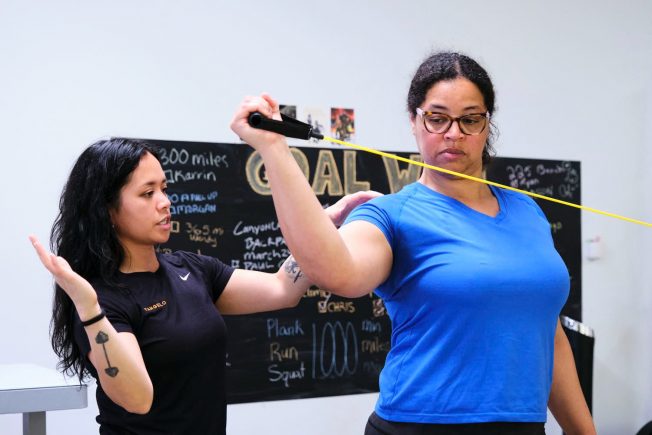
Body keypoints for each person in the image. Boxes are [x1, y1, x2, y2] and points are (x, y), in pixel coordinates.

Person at [231, 51, 597, 434]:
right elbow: (335, 272)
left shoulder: (527, 211)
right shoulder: (391, 215)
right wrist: (274, 150)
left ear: (487, 123)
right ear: (414, 120)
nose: (453, 133)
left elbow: (547, 333)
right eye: (437, 118)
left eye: (470, 119)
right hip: (418, 426)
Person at [29, 137, 378, 435]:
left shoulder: (191, 269)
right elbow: (137, 399)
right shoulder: (102, 300)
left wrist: (324, 224)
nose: (165, 202)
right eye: (147, 193)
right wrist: (90, 310)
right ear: (107, 210)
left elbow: (282, 288)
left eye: (164, 189)